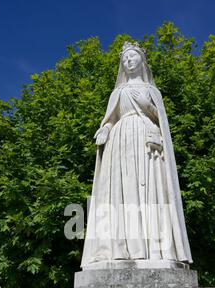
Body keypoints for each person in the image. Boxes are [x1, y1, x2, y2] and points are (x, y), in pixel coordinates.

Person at [81, 42, 192, 268]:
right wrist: (104, 129)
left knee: (150, 193)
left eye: (132, 57)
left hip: (147, 142)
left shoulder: (152, 91)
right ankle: (120, 248)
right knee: (121, 193)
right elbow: (111, 118)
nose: (128, 61)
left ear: (142, 60)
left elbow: (161, 122)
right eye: (124, 59)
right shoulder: (118, 92)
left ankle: (155, 249)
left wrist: (155, 125)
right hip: (119, 144)